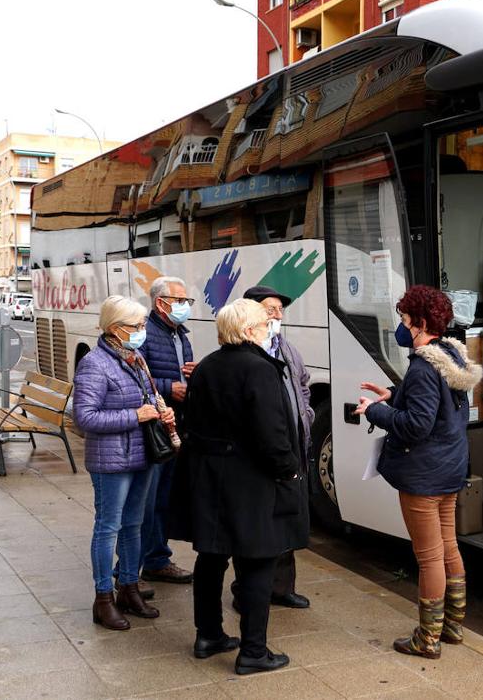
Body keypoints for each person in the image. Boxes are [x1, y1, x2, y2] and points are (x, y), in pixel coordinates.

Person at [170, 298, 307, 674]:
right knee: (258, 562)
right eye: (264, 325)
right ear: (248, 331)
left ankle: (209, 635)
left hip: (209, 478)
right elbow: (272, 434)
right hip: (249, 482)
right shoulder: (258, 369)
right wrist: (289, 470)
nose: (269, 330)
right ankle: (253, 651)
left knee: (211, 557)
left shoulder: (208, 366)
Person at [354, 285, 483, 659]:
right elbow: (439, 409)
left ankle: (427, 639)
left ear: (420, 323)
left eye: (404, 320)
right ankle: (453, 627)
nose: (401, 326)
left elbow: (416, 425)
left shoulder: (424, 366)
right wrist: (394, 395)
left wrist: (374, 411)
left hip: (424, 475)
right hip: (449, 468)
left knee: (429, 557)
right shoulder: (451, 356)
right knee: (448, 548)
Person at [73, 295, 173, 631]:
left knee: (134, 525)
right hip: (110, 461)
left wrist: (159, 411)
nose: (143, 330)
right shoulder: (94, 363)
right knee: (108, 527)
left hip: (141, 455)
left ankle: (129, 587)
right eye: (137, 326)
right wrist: (134, 416)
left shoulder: (135, 357)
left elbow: (147, 400)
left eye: (143, 324)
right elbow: (84, 418)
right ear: (115, 329)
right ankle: (103, 599)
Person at [231, 284, 312, 610]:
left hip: (292, 447)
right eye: (270, 308)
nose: (277, 314)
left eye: (280, 309)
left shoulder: (286, 348)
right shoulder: (244, 352)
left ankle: (282, 587)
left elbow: (303, 384)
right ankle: (246, 591)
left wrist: (304, 414)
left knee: (287, 519)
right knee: (257, 526)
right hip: (261, 453)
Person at [137, 276, 196, 592]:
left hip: (176, 425)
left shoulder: (180, 335)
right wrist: (167, 386)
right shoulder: (143, 333)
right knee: (147, 501)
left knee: (164, 499)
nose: (185, 306)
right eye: (181, 300)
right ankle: (131, 571)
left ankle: (158, 559)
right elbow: (136, 377)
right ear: (161, 303)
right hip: (153, 430)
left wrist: (190, 373)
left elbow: (176, 371)